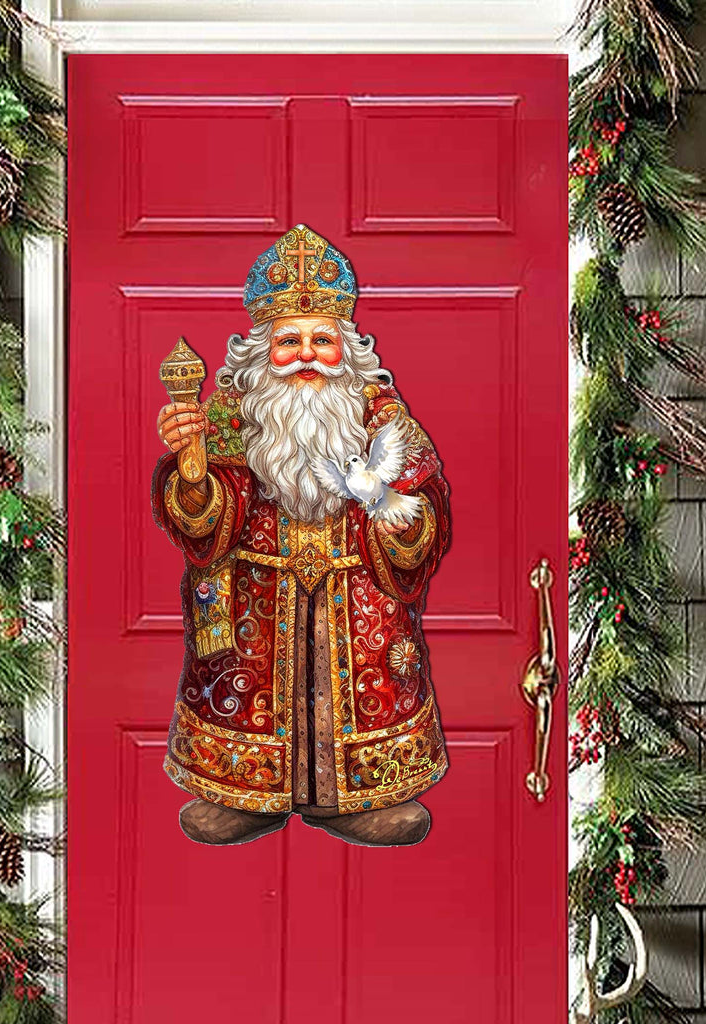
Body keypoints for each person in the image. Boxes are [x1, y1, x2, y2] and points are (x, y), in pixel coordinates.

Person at [152, 224, 451, 846]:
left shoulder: (380, 413)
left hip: (357, 601)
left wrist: (402, 518)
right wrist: (192, 462)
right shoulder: (233, 414)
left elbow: (422, 500)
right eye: (290, 342)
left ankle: (363, 797)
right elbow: (202, 526)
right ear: (262, 349)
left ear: (349, 346)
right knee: (250, 684)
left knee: (361, 683)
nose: (309, 355)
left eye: (324, 340)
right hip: (255, 601)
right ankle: (248, 792)